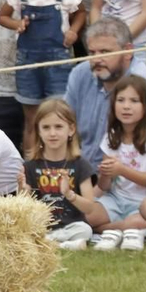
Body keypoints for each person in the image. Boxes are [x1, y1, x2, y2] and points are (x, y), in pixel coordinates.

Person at [0, 0, 85, 137]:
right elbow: (2, 17)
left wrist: (73, 31)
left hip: (58, 60)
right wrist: (16, 24)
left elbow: (81, 14)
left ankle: (62, 161)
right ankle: (31, 163)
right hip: (27, 61)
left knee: (60, 114)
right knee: (32, 117)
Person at [65, 16, 146, 169]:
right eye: (92, 52)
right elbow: (65, 124)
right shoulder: (80, 74)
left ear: (128, 51)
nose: (96, 59)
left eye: (104, 52)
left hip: (125, 181)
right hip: (79, 172)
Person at [89, 75, 146, 251]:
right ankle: (120, 230)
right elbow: (104, 186)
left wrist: (122, 170)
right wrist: (105, 174)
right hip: (116, 199)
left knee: (135, 221)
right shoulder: (111, 135)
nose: (126, 106)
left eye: (134, 101)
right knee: (87, 216)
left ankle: (106, 231)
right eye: (120, 100)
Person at [27, 98, 107, 248]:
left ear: (71, 129)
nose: (52, 133)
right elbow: (25, 207)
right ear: (38, 130)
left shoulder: (80, 164)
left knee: (85, 230)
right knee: (29, 232)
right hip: (43, 227)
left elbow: (90, 207)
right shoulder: (30, 166)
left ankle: (53, 244)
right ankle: (65, 245)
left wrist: (69, 194)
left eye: (58, 127)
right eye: (46, 127)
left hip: (73, 226)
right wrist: (22, 189)